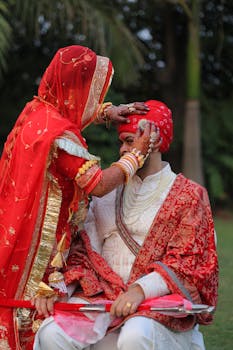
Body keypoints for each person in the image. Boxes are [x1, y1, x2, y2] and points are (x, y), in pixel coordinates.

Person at [0, 45, 154, 350]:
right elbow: (96, 184)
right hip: (32, 244)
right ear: (76, 87)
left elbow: (68, 106)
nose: (94, 96)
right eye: (91, 89)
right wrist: (135, 156)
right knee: (29, 306)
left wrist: (108, 112)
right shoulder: (58, 135)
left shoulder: (37, 110)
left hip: (12, 223)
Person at [34, 100, 218, 350]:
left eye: (130, 141)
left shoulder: (189, 195)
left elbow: (186, 264)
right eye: (122, 142)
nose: (122, 149)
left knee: (135, 334)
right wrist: (59, 289)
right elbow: (84, 254)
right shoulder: (107, 192)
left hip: (156, 304)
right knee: (51, 333)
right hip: (103, 298)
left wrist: (139, 291)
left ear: (153, 142)